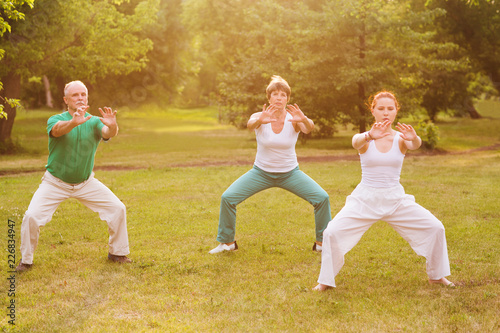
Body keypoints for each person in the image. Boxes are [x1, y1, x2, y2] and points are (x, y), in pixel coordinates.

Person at [314, 91, 454, 290]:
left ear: (397, 110)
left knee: (435, 227)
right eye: (381, 109)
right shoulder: (366, 138)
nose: (386, 113)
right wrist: (370, 135)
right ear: (373, 111)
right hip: (365, 199)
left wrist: (414, 138)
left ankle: (437, 276)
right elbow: (355, 142)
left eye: (390, 108)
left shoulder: (401, 138)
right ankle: (325, 281)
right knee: (331, 232)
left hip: (395, 199)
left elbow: (414, 145)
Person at [16, 80, 131, 272]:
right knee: (32, 216)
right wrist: (73, 122)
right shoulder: (55, 119)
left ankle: (117, 253)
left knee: (117, 208)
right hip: (55, 183)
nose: (80, 98)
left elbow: (107, 132)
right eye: (75, 95)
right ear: (66, 99)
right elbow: (57, 130)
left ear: (87, 98)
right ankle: (26, 261)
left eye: (83, 94)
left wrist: (112, 126)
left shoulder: (94, 121)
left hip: (85, 183)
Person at [209, 75, 332, 254]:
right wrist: (260, 120)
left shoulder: (294, 118)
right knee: (228, 198)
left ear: (288, 99)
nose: (279, 97)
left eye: (283, 95)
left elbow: (309, 128)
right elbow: (250, 125)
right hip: (261, 173)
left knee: (322, 198)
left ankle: (322, 243)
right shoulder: (261, 116)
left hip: (290, 173)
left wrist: (303, 119)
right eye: (275, 94)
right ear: (269, 98)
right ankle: (227, 243)